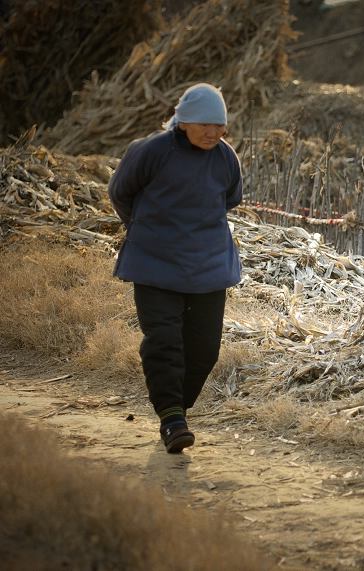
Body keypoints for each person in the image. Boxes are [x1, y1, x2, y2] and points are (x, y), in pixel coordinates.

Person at [108, 83, 242, 453]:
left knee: (204, 350)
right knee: (164, 342)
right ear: (183, 121)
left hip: (208, 266)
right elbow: (120, 192)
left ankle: (176, 411)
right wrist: (147, 229)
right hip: (155, 263)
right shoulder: (152, 151)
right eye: (205, 125)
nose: (213, 133)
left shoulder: (226, 158)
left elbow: (229, 200)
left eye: (220, 126)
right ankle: (171, 419)